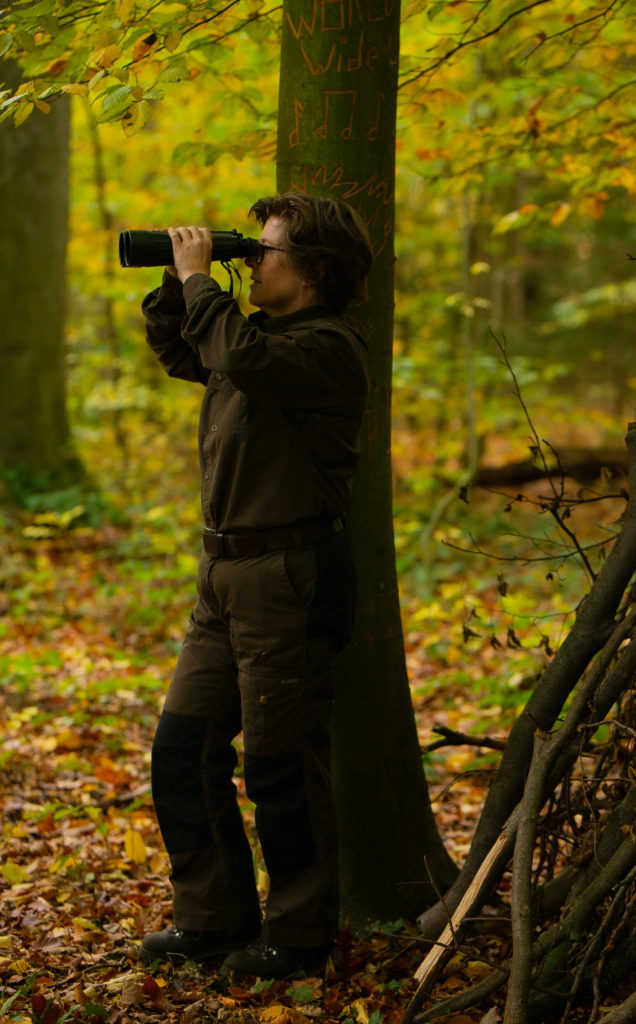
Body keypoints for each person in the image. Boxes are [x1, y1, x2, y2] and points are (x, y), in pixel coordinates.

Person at [137, 193, 373, 979]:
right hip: (224, 578)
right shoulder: (255, 338)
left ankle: (300, 937)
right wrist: (178, 288)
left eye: (263, 250)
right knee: (181, 753)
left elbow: (240, 358)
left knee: (278, 765)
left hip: (288, 578)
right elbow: (186, 354)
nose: (251, 261)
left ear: (312, 270)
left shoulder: (327, 350)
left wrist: (205, 281)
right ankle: (212, 921)